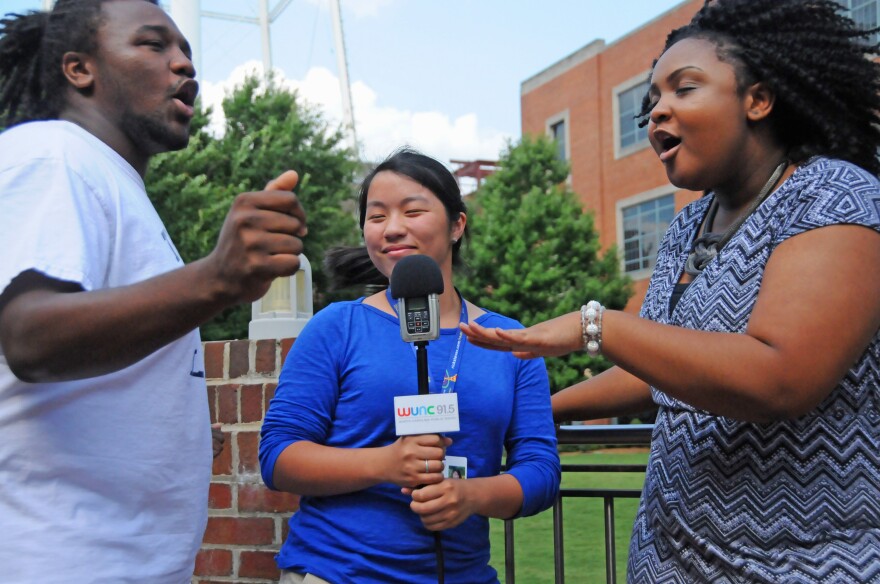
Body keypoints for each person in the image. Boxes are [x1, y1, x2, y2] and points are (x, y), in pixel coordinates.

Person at [461, 0, 880, 581]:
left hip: (801, 564)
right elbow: (655, 366)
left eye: (684, 89)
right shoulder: (689, 223)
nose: (657, 112)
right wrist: (532, 412)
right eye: (652, 100)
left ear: (758, 99)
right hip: (669, 563)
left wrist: (598, 326)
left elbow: (780, 377)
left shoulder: (833, 198)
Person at [0, 1, 307, 582]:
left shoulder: (112, 183)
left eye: (188, 53)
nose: (184, 67)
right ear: (79, 69)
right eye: (153, 45)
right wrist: (216, 278)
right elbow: (28, 336)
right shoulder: (53, 155)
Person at [259, 148, 560, 584]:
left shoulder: (510, 341)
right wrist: (386, 464)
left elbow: (540, 470)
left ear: (457, 225)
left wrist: (470, 496)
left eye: (413, 211)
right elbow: (278, 457)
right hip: (335, 574)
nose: (393, 228)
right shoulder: (337, 327)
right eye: (376, 217)